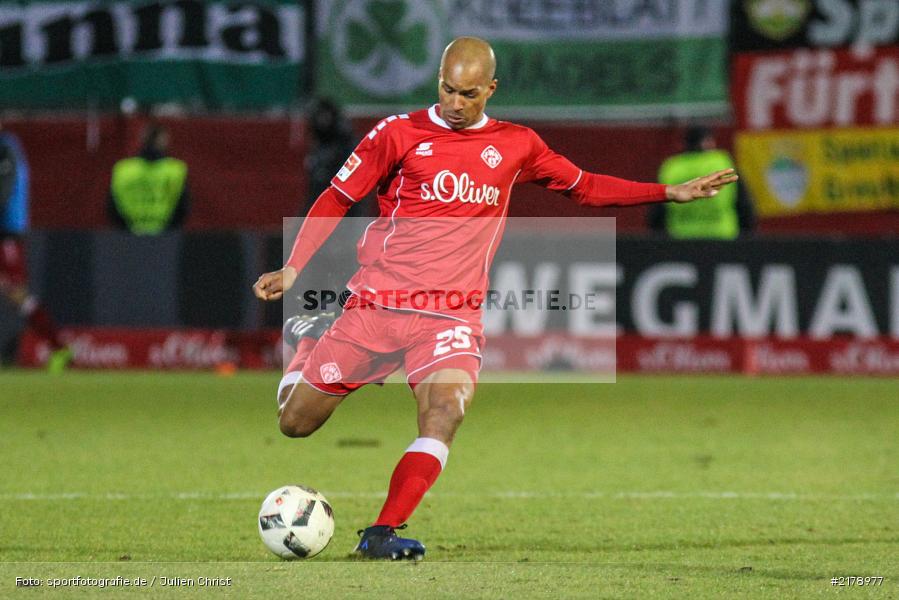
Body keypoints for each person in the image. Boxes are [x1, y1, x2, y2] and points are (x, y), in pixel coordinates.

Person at [253, 37, 737, 560]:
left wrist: (668, 192)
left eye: (468, 94)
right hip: (378, 306)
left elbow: (585, 186)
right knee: (295, 423)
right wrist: (294, 266)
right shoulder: (397, 134)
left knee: (445, 412)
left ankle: (382, 532)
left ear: (491, 89)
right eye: (447, 90)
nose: (455, 103)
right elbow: (336, 196)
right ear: (438, 81)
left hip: (450, 316)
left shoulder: (517, 144)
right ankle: (307, 339)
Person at [0, 122, 72, 372]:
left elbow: (3, 193)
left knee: (16, 293)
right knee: (15, 293)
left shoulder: (6, 150)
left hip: (7, 233)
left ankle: (59, 346)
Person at [648, 126, 754, 238]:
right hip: (721, 236)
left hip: (682, 238)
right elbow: (744, 205)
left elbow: (657, 213)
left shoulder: (671, 168)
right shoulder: (722, 163)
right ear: (708, 141)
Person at [108, 123, 190, 235]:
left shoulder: (124, 169)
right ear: (163, 141)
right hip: (166, 238)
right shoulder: (175, 170)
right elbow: (183, 208)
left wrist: (127, 232)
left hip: (128, 237)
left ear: (142, 140)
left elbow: (112, 207)